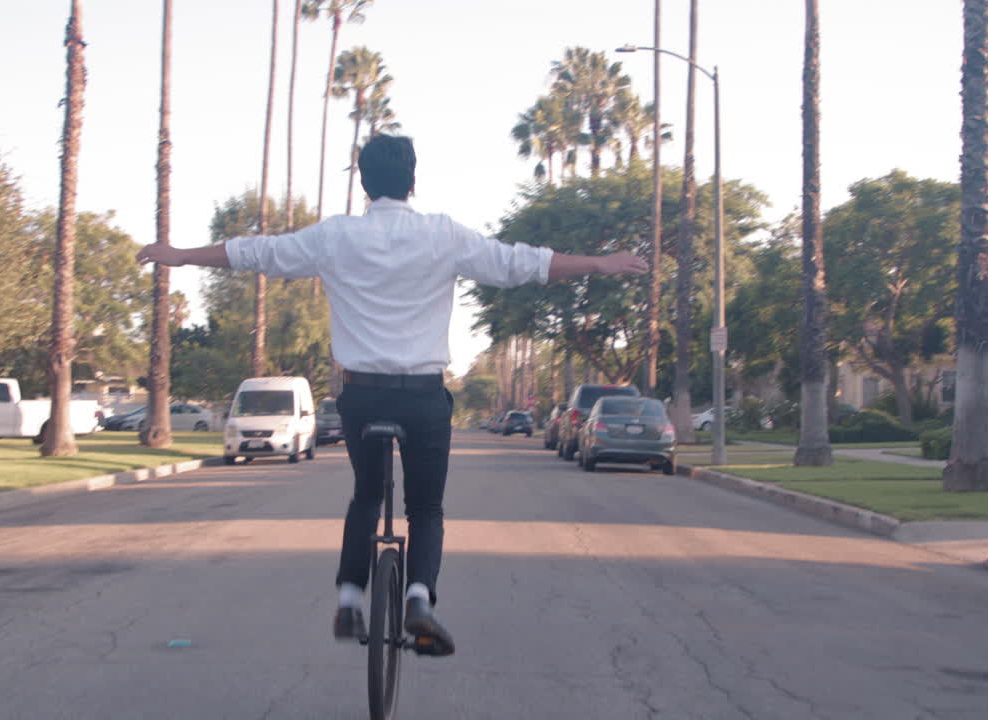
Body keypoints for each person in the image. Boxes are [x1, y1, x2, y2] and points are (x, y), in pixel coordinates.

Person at [136, 134, 647, 656]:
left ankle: (349, 597)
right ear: (412, 182)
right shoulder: (443, 235)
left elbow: (257, 252)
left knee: (366, 494)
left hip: (361, 398)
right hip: (423, 398)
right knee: (425, 507)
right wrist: (599, 263)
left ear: (364, 183)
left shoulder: (335, 237)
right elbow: (522, 263)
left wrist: (182, 256)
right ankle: (419, 598)